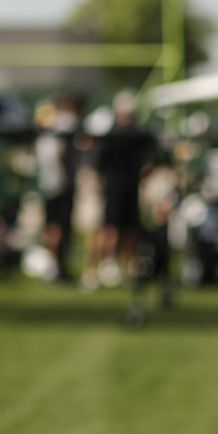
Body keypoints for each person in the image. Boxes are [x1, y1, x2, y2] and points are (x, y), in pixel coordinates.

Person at [82, 90, 156, 291]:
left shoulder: (140, 136)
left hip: (131, 188)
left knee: (131, 231)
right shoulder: (110, 135)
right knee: (107, 230)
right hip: (111, 188)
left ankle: (128, 270)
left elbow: (150, 159)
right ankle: (96, 268)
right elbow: (96, 162)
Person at [32, 96, 83, 282]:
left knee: (52, 227)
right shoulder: (58, 131)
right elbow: (61, 154)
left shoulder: (43, 137)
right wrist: (67, 177)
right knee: (58, 227)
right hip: (58, 185)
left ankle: (54, 266)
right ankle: (56, 266)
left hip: (48, 184)